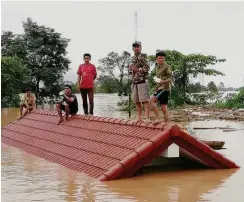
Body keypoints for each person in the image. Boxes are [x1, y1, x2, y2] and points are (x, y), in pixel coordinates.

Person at [129, 41, 150, 122]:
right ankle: (139, 117)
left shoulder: (144, 56)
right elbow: (130, 70)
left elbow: (147, 68)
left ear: (141, 47)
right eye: (135, 47)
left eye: (138, 46)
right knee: (136, 101)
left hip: (143, 81)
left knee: (145, 100)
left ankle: (147, 118)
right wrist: (131, 70)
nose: (136, 48)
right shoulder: (132, 58)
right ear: (133, 48)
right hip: (134, 82)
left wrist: (136, 69)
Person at [150, 51, 172, 123]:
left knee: (151, 100)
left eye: (162, 58)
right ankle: (167, 123)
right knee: (163, 107)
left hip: (165, 88)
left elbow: (170, 78)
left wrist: (164, 81)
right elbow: (158, 79)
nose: (161, 59)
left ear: (164, 59)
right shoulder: (157, 67)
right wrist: (156, 88)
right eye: (159, 58)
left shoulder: (167, 67)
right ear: (157, 59)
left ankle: (158, 118)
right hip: (159, 88)